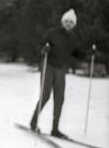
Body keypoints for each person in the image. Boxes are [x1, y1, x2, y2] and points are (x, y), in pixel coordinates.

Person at [30, 9, 92, 138]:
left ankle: (55, 129)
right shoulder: (53, 33)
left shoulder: (73, 38)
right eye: (66, 21)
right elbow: (41, 45)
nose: (68, 23)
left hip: (61, 69)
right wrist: (44, 49)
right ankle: (34, 122)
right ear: (63, 22)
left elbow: (76, 52)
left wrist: (89, 55)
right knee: (45, 96)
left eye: (71, 22)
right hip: (49, 67)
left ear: (74, 24)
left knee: (59, 99)